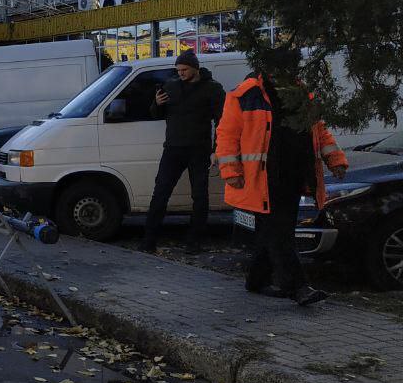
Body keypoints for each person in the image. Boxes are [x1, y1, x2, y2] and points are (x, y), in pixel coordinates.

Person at [215, 51, 348, 306]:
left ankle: (256, 281)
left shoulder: (302, 95)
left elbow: (319, 131)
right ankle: (298, 287)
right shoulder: (245, 94)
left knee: (274, 232)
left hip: (294, 175)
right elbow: (227, 136)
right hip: (262, 180)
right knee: (280, 234)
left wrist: (336, 160)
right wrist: (231, 172)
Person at [140, 51, 226, 253]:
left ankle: (194, 243)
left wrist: (216, 149)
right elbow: (156, 113)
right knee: (160, 193)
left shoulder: (212, 89)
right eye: (178, 70)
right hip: (173, 148)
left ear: (195, 68)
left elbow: (222, 121)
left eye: (184, 70)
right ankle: (148, 241)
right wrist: (157, 104)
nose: (181, 73)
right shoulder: (171, 85)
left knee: (200, 196)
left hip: (199, 149)